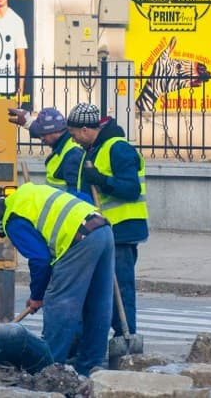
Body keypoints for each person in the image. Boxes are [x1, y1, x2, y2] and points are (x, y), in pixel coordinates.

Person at [0, 182, 114, 376]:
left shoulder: (11, 219)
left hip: (77, 239)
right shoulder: (26, 193)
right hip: (101, 227)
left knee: (59, 304)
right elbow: (78, 196)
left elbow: (40, 260)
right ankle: (91, 369)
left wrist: (37, 296)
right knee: (98, 304)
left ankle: (49, 369)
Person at [66, 102, 149, 343]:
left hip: (122, 230)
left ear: (84, 130)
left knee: (121, 289)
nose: (73, 140)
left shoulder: (118, 148)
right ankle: (103, 336)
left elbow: (131, 189)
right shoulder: (92, 149)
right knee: (101, 288)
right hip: (103, 230)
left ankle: (126, 336)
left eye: (74, 135)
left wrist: (102, 180)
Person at [8, 107, 84, 193]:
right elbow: (43, 130)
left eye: (43, 134)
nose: (41, 138)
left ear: (56, 131)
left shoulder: (73, 155)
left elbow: (76, 196)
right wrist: (28, 122)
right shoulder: (62, 141)